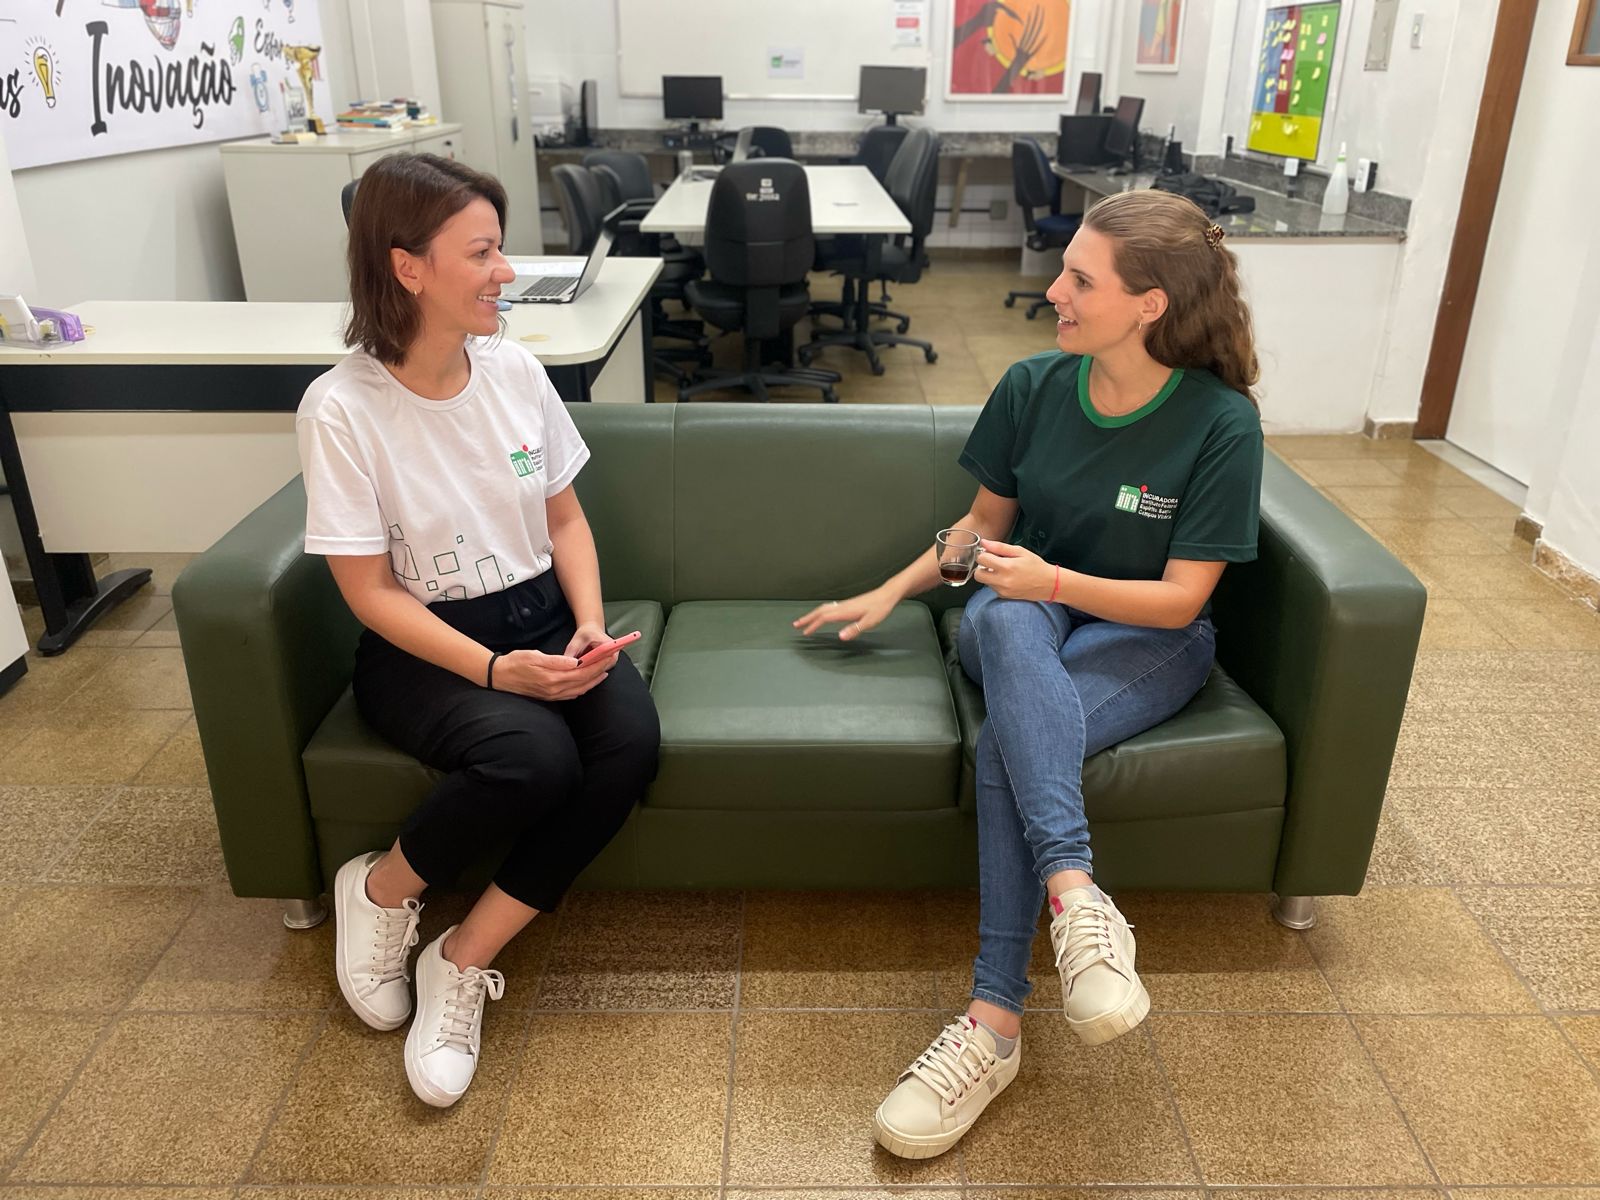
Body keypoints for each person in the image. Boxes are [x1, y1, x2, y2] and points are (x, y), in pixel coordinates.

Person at [795, 190, 1264, 1158]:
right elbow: (982, 531)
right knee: (1009, 623)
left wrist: (1052, 579)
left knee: (1018, 734)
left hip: (1148, 635)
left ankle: (994, 1023)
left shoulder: (1221, 424)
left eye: (1080, 279)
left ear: (1149, 305)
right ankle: (1077, 899)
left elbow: (1181, 600)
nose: (1053, 290)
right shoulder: (1032, 387)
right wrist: (890, 589)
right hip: (1019, 621)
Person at [296, 153, 660, 1108]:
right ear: (407, 266)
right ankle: (380, 892)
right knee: (535, 760)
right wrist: (498, 672)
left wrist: (588, 626)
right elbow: (370, 594)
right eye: (484, 251)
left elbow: (565, 521)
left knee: (628, 746)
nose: (508, 271)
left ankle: (461, 958)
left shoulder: (514, 369)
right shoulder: (342, 409)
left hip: (542, 611)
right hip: (423, 642)